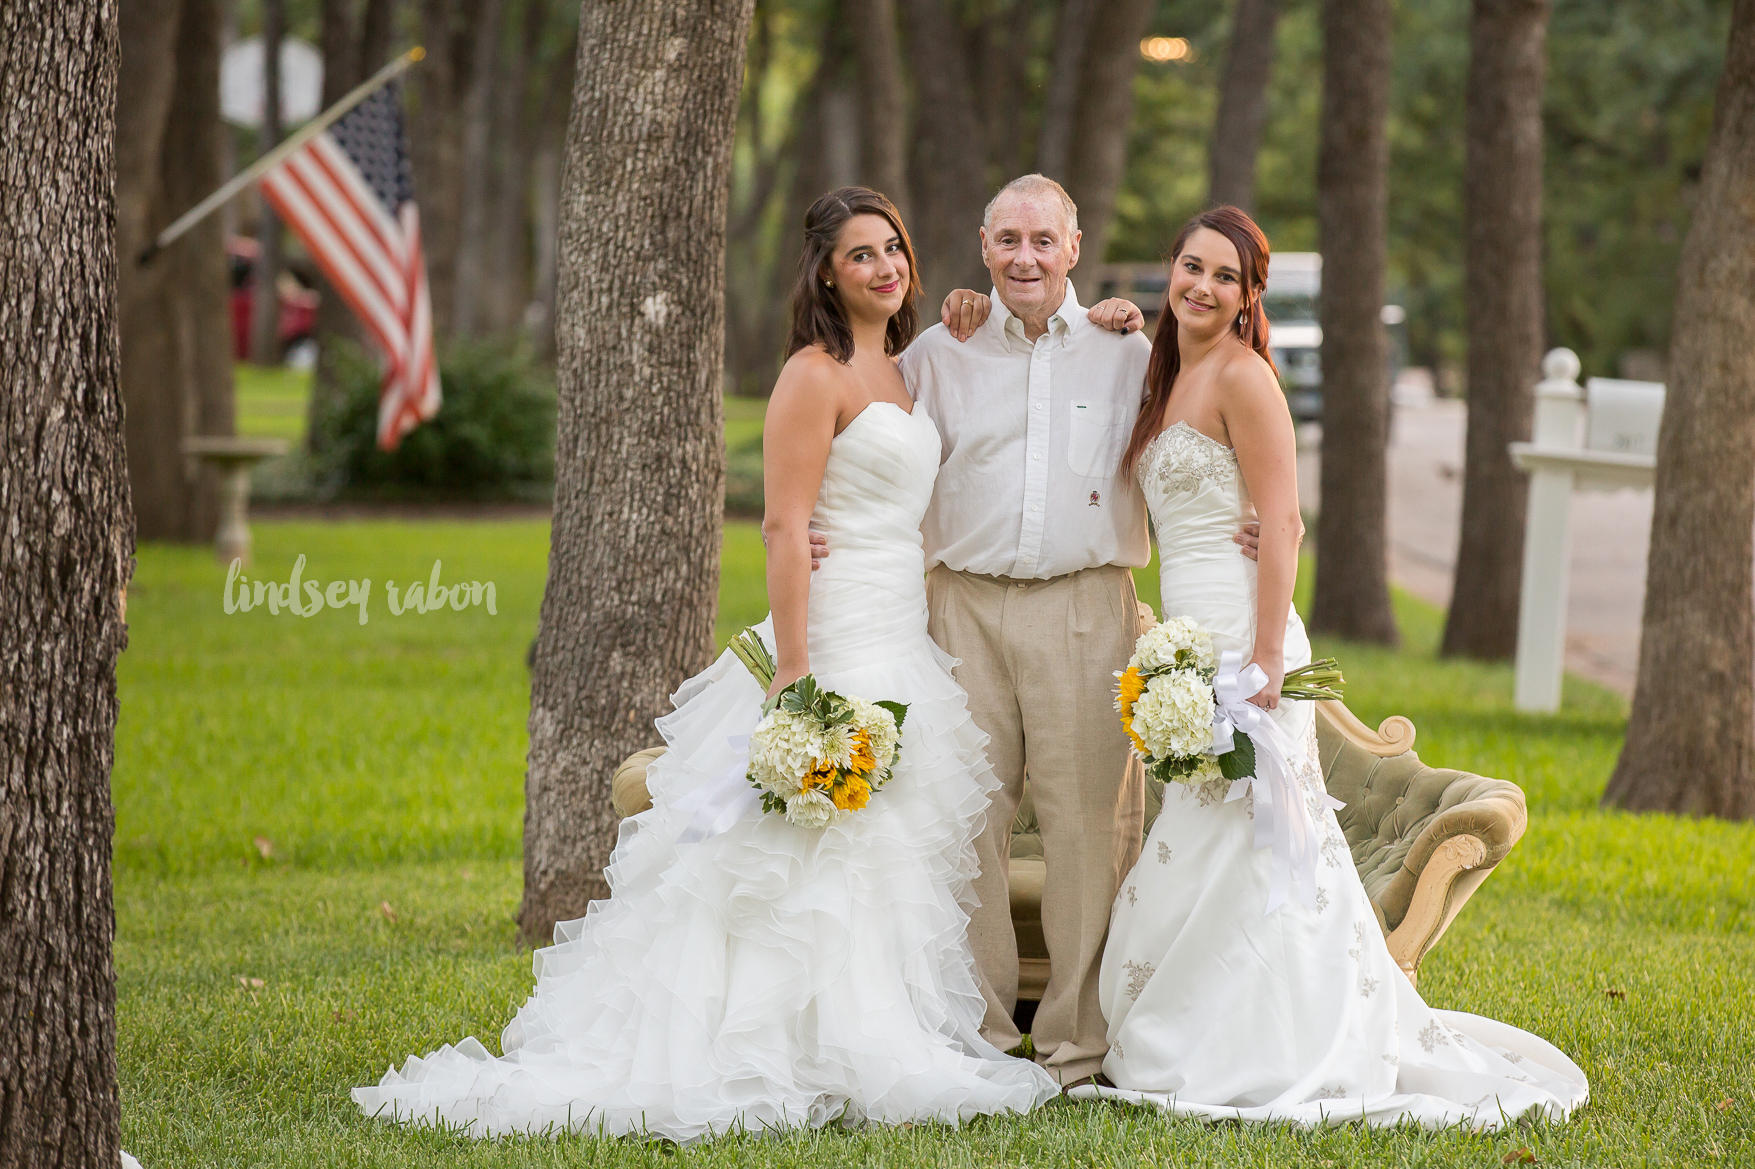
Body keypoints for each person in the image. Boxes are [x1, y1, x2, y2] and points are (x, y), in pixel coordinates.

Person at [352, 187, 1058, 1142]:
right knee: (788, 850)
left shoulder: (897, 367)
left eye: (892, 247)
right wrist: (794, 672)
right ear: (825, 272)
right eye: (861, 255)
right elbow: (781, 523)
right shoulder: (812, 375)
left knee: (874, 849)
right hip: (832, 632)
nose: (885, 267)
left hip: (900, 626)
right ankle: (758, 1045)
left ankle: (856, 1038)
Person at [1068, 206, 1589, 1126]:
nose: (1201, 286)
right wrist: (1102, 315)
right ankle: (1196, 1028)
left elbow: (1286, 524)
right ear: (1171, 271)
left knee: (1267, 842)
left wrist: (1265, 657)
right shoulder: (1167, 371)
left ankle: (1281, 1039)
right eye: (1190, 267)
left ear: (1247, 295)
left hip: (1245, 645)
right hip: (1183, 645)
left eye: (1224, 277)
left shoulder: (1244, 377)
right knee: (1201, 832)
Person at [893, 174, 1155, 1090]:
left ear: (1075, 247)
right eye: (1007, 239)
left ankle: (1075, 1050)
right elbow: (879, 463)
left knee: (1089, 827)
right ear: (981, 244)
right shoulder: (938, 350)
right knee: (967, 820)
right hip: (958, 603)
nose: (1025, 258)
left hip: (1086, 603)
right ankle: (981, 1037)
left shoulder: (1127, 354)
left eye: (1043, 240)